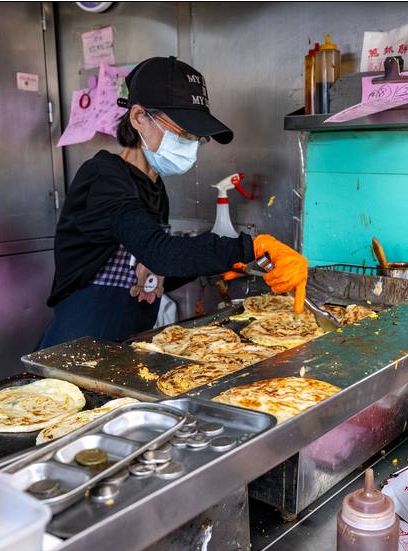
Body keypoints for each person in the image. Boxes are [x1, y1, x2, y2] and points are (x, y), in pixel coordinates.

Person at [40, 56, 307, 348]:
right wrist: (249, 247)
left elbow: (156, 269)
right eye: (184, 133)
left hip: (125, 346)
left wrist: (219, 263)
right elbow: (160, 253)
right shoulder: (104, 178)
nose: (192, 144)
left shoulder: (154, 185)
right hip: (76, 345)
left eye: (197, 138)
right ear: (139, 117)